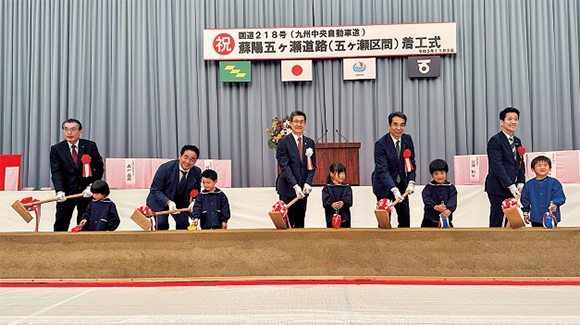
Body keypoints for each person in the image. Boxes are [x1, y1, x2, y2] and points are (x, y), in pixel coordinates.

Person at [50, 118, 104, 231]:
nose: (69, 133)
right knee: (61, 224)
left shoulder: (90, 146)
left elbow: (99, 167)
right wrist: (60, 190)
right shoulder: (56, 149)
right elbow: (56, 171)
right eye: (66, 129)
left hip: (86, 193)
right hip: (67, 193)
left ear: (80, 132)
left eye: (73, 130)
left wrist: (92, 187)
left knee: (85, 223)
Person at [371, 111, 416, 228]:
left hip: (401, 183)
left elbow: (411, 163)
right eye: (395, 124)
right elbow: (382, 170)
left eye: (402, 125)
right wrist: (393, 189)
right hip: (384, 184)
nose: (399, 128)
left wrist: (411, 181)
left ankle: (404, 244)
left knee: (405, 217)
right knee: (385, 220)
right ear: (389, 126)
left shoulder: (407, 139)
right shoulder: (380, 144)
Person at [485, 107, 526, 227]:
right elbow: (497, 165)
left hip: (514, 188)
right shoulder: (495, 141)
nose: (513, 122)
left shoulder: (517, 141)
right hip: (499, 187)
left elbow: (520, 163)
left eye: (516, 119)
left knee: (512, 221)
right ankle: (494, 244)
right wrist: (510, 185)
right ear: (501, 122)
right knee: (497, 220)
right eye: (510, 119)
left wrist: (521, 182)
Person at [276, 110, 316, 228]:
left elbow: (312, 165)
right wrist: (295, 185)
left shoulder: (310, 142)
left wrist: (308, 182)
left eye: (301, 122)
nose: (299, 124)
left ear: (305, 124)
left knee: (300, 224)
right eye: (296, 121)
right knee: (287, 224)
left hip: (303, 191)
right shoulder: (283, 142)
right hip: (288, 189)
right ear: (290, 123)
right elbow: (285, 167)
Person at [146, 145, 202, 230]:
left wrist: (194, 201)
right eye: (185, 157)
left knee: (183, 223)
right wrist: (168, 202)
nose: (187, 162)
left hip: (180, 201)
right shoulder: (165, 168)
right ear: (180, 156)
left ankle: (180, 243)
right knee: (162, 223)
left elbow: (196, 190)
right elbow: (155, 190)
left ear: (195, 161)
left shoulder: (196, 172)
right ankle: (160, 243)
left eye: (192, 159)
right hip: (160, 200)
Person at [520, 156, 566, 227]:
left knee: (551, 236)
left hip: (551, 216)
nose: (542, 167)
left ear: (550, 168)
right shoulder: (529, 184)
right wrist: (525, 213)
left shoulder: (554, 182)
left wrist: (554, 204)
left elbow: (559, 196)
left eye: (545, 165)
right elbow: (525, 199)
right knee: (537, 236)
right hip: (536, 217)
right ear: (533, 169)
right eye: (539, 165)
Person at [421, 159, 458, 228]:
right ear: (432, 175)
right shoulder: (429, 187)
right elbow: (426, 198)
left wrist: (449, 210)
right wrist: (435, 206)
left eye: (442, 173)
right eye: (436, 174)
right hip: (429, 221)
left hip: (445, 221)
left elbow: (453, 200)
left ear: (446, 173)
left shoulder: (451, 187)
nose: (439, 176)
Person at [322, 163, 353, 228]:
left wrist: (343, 202)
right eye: (340, 173)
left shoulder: (347, 187)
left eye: (344, 173)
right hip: (331, 218)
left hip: (345, 219)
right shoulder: (327, 188)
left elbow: (349, 200)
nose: (342, 176)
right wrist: (331, 204)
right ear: (331, 174)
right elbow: (325, 201)